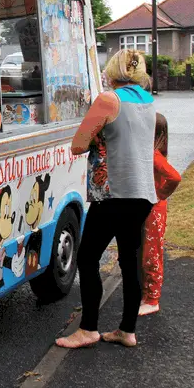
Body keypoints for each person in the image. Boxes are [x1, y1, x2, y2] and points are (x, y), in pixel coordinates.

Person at [56, 49, 158, 349]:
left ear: (112, 71)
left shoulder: (108, 100)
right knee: (129, 260)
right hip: (142, 193)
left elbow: (78, 145)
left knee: (87, 258)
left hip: (112, 194)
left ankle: (88, 329)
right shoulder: (147, 100)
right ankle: (127, 330)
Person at [138, 113, 182, 316]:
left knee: (152, 253)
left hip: (153, 208)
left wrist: (161, 194)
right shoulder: (150, 152)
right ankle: (146, 294)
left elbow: (174, 177)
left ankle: (152, 299)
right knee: (145, 251)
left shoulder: (153, 155)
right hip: (147, 206)